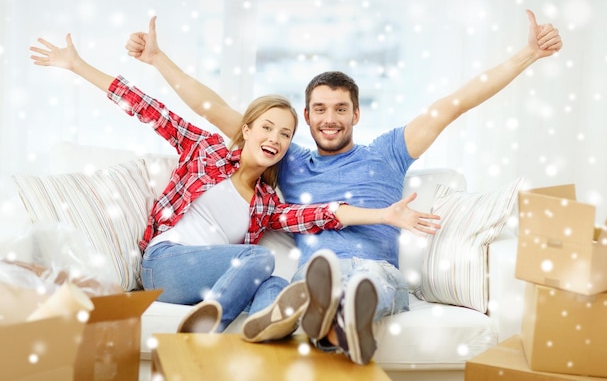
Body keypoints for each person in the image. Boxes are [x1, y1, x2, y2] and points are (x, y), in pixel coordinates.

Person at [125, 9, 562, 364]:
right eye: (319, 109)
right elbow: (213, 108)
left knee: (363, 279)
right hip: (309, 280)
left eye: (339, 108)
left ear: (355, 115)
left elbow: (453, 106)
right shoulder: (289, 159)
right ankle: (292, 338)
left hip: (373, 272)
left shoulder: (389, 152)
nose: (329, 118)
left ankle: (344, 319)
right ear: (308, 117)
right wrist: (158, 60)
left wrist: (526, 55)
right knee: (276, 290)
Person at [29, 33, 435, 338]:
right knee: (258, 260)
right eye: (267, 128)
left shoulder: (266, 204)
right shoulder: (203, 149)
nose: (275, 139)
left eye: (285, 134)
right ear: (247, 129)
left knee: (278, 285)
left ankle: (266, 332)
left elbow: (326, 213)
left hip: (209, 275)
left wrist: (385, 214)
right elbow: (146, 107)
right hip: (165, 262)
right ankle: (208, 325)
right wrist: (79, 65)